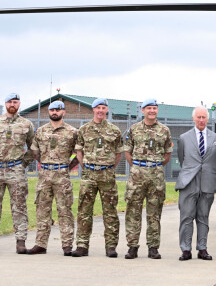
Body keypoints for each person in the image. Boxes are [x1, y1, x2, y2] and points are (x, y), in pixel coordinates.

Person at [72, 98, 123, 258]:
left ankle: (111, 246)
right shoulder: (84, 129)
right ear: (93, 110)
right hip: (89, 174)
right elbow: (79, 151)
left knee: (110, 211)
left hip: (107, 175)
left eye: (103, 107)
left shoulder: (114, 130)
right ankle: (82, 245)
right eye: (98, 107)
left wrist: (109, 167)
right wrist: (86, 167)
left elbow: (118, 153)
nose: (101, 110)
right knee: (84, 211)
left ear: (107, 110)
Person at [123, 99, 173, 260]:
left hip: (156, 176)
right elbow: (127, 152)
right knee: (133, 211)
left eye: (154, 108)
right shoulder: (134, 129)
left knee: (154, 213)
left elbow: (167, 154)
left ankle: (153, 247)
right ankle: (132, 247)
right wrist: (139, 166)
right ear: (143, 110)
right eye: (149, 108)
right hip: (137, 175)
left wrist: (154, 166)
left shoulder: (164, 130)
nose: (152, 111)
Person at [27, 101, 78, 256]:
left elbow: (79, 153)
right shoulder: (41, 131)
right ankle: (41, 244)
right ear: (48, 112)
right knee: (42, 210)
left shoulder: (72, 132)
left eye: (58, 110)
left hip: (62, 175)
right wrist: (44, 164)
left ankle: (67, 245)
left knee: (65, 210)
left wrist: (68, 167)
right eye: (52, 110)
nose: (54, 112)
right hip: (44, 176)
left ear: (64, 112)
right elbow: (34, 151)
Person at [176, 106, 216, 261]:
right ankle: (186, 249)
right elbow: (182, 159)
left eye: (204, 117)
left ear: (207, 119)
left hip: (207, 182)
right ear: (193, 119)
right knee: (186, 216)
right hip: (188, 181)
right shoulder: (184, 138)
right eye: (199, 117)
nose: (201, 120)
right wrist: (191, 172)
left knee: (203, 217)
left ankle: (202, 248)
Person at [0, 93, 34, 254]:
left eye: (15, 102)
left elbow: (33, 147)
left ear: (19, 104)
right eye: (10, 102)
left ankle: (21, 241)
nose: (12, 104)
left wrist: (22, 163)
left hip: (16, 170)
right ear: (5, 104)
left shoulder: (26, 124)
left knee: (19, 206)